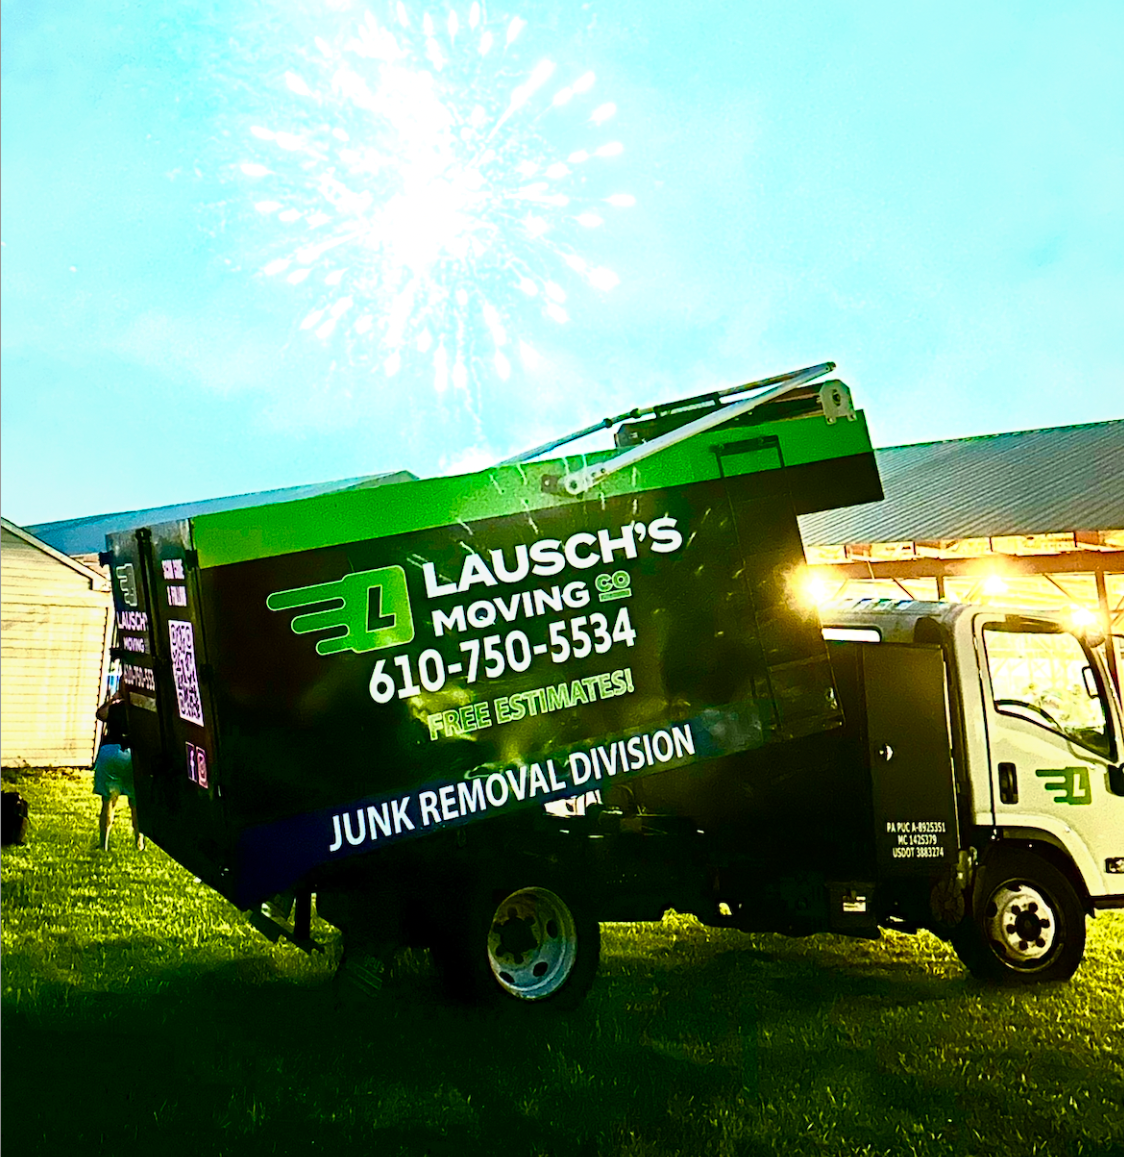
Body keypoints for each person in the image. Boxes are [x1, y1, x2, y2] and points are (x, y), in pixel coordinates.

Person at [93, 687, 144, 851]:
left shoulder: (115, 708)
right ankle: (139, 842)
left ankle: (104, 844)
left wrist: (112, 699)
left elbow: (100, 714)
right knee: (136, 803)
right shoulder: (140, 710)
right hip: (132, 753)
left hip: (110, 751)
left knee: (108, 802)